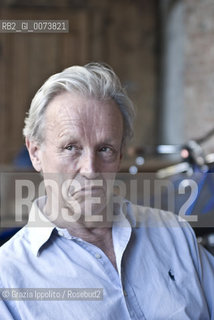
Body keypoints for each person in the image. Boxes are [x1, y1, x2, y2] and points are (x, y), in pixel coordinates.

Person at [0, 63, 214, 320]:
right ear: (35, 153)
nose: (90, 169)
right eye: (71, 147)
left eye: (105, 149)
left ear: (120, 155)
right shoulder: (8, 279)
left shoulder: (174, 234)